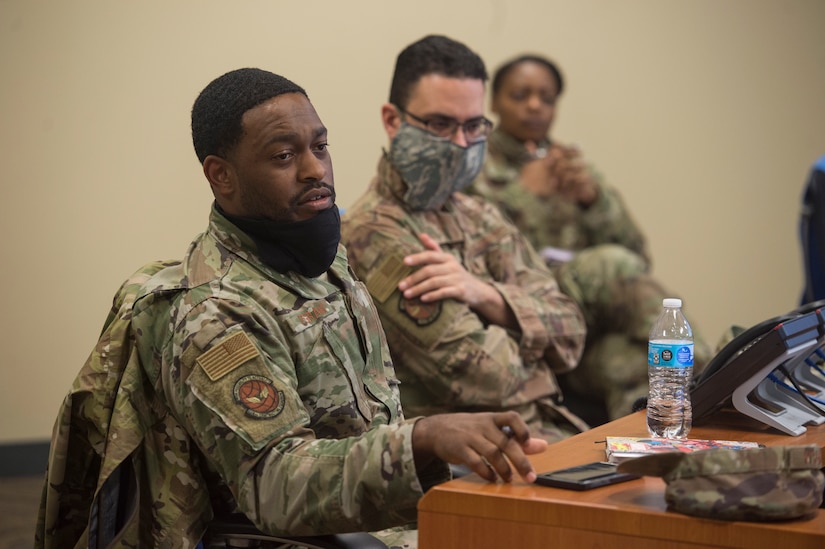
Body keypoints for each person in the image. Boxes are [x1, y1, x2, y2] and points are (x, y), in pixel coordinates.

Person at [35, 68, 549, 549]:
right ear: (222, 175)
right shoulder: (213, 313)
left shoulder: (318, 259)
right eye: (284, 156)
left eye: (320, 147)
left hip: (380, 520)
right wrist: (424, 439)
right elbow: (275, 484)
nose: (314, 170)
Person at [340, 35, 589, 446]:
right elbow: (491, 374)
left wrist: (487, 296)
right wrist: (534, 337)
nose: (460, 144)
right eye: (440, 124)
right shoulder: (373, 232)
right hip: (474, 459)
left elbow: (573, 333)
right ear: (393, 120)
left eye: (473, 126)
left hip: (548, 429)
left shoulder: (480, 214)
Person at [465, 54, 712, 423]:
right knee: (607, 262)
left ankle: (649, 456)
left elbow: (637, 259)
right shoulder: (474, 165)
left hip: (585, 334)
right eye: (520, 95)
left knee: (631, 364)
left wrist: (592, 200)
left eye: (546, 98)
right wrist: (522, 195)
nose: (535, 105)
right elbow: (477, 257)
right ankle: (713, 374)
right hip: (522, 320)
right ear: (494, 102)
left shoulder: (572, 166)